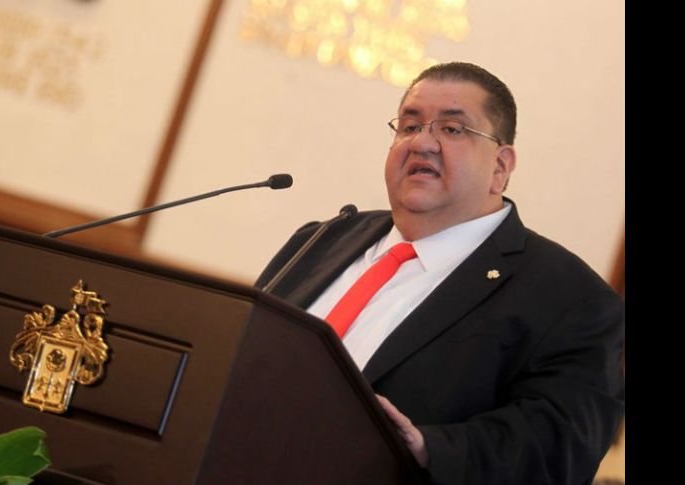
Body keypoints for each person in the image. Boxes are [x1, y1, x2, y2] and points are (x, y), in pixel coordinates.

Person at [255, 62, 624, 484]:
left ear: (500, 166)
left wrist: (427, 447)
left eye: (452, 129)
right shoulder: (322, 238)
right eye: (410, 126)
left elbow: (559, 451)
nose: (422, 143)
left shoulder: (572, 300)